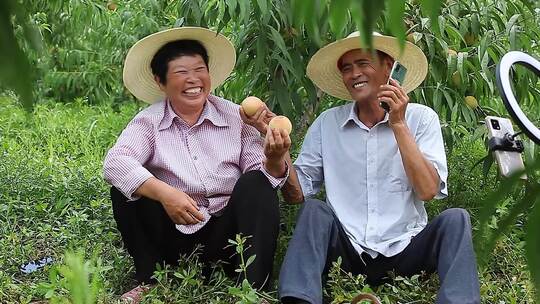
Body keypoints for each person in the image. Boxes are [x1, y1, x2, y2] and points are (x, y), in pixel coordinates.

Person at [275, 32, 481, 304]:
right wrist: (280, 157)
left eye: (363, 63)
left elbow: (429, 190)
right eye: (346, 68)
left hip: (406, 251)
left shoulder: (421, 119)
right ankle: (298, 299)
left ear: (389, 67)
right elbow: (297, 195)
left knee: (456, 219)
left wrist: (398, 124)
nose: (354, 74)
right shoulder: (327, 124)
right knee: (314, 210)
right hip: (347, 252)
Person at [103, 27, 290, 303]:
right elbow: (115, 163)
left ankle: (253, 287)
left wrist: (274, 157)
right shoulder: (148, 122)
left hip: (228, 237)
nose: (193, 80)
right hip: (174, 235)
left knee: (256, 183)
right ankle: (151, 279)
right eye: (180, 73)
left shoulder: (235, 116)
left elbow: (261, 178)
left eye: (199, 69)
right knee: (125, 189)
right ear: (160, 81)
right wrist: (166, 193)